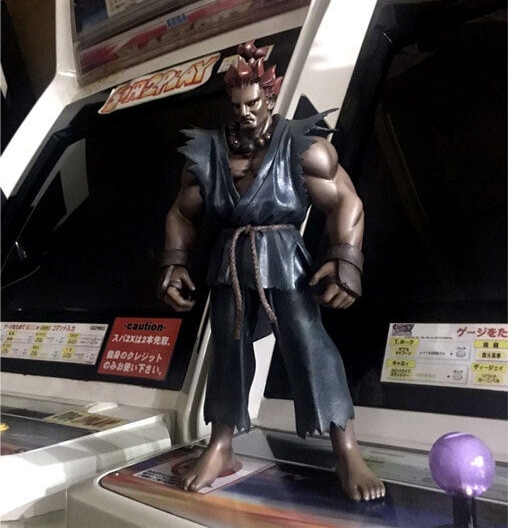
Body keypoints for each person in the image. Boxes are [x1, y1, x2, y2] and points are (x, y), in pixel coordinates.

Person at [159, 41, 385, 502]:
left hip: (284, 259)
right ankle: (221, 444)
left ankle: (346, 449)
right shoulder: (208, 153)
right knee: (228, 349)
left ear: (269, 96)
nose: (244, 113)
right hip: (229, 262)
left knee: (309, 342)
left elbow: (346, 199)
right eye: (236, 105)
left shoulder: (303, 147)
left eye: (252, 103)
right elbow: (182, 213)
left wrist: (347, 258)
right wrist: (175, 261)